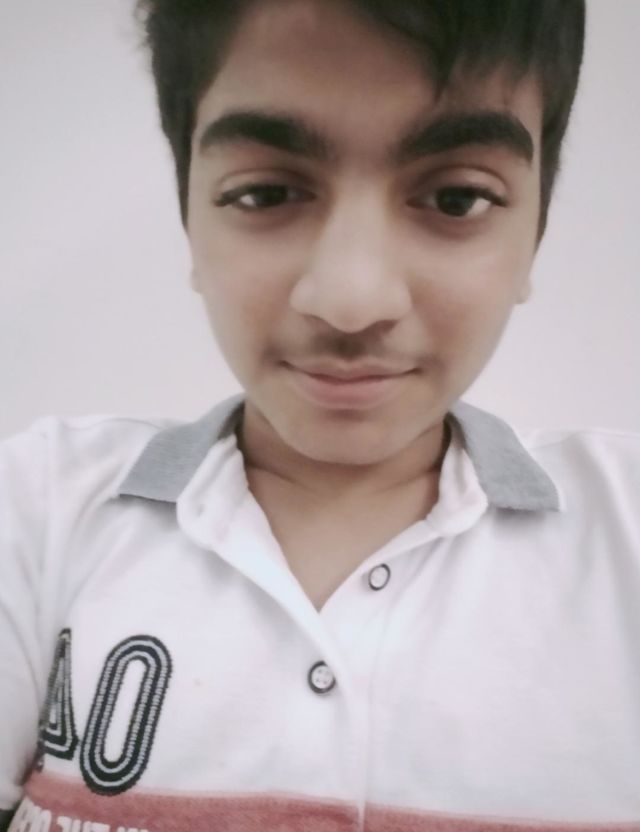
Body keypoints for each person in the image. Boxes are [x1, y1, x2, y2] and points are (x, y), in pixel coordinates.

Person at [1, 0, 639, 829]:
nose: (350, 300)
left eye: (456, 199)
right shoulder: (37, 509)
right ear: (189, 218)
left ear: (536, 233)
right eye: (266, 193)